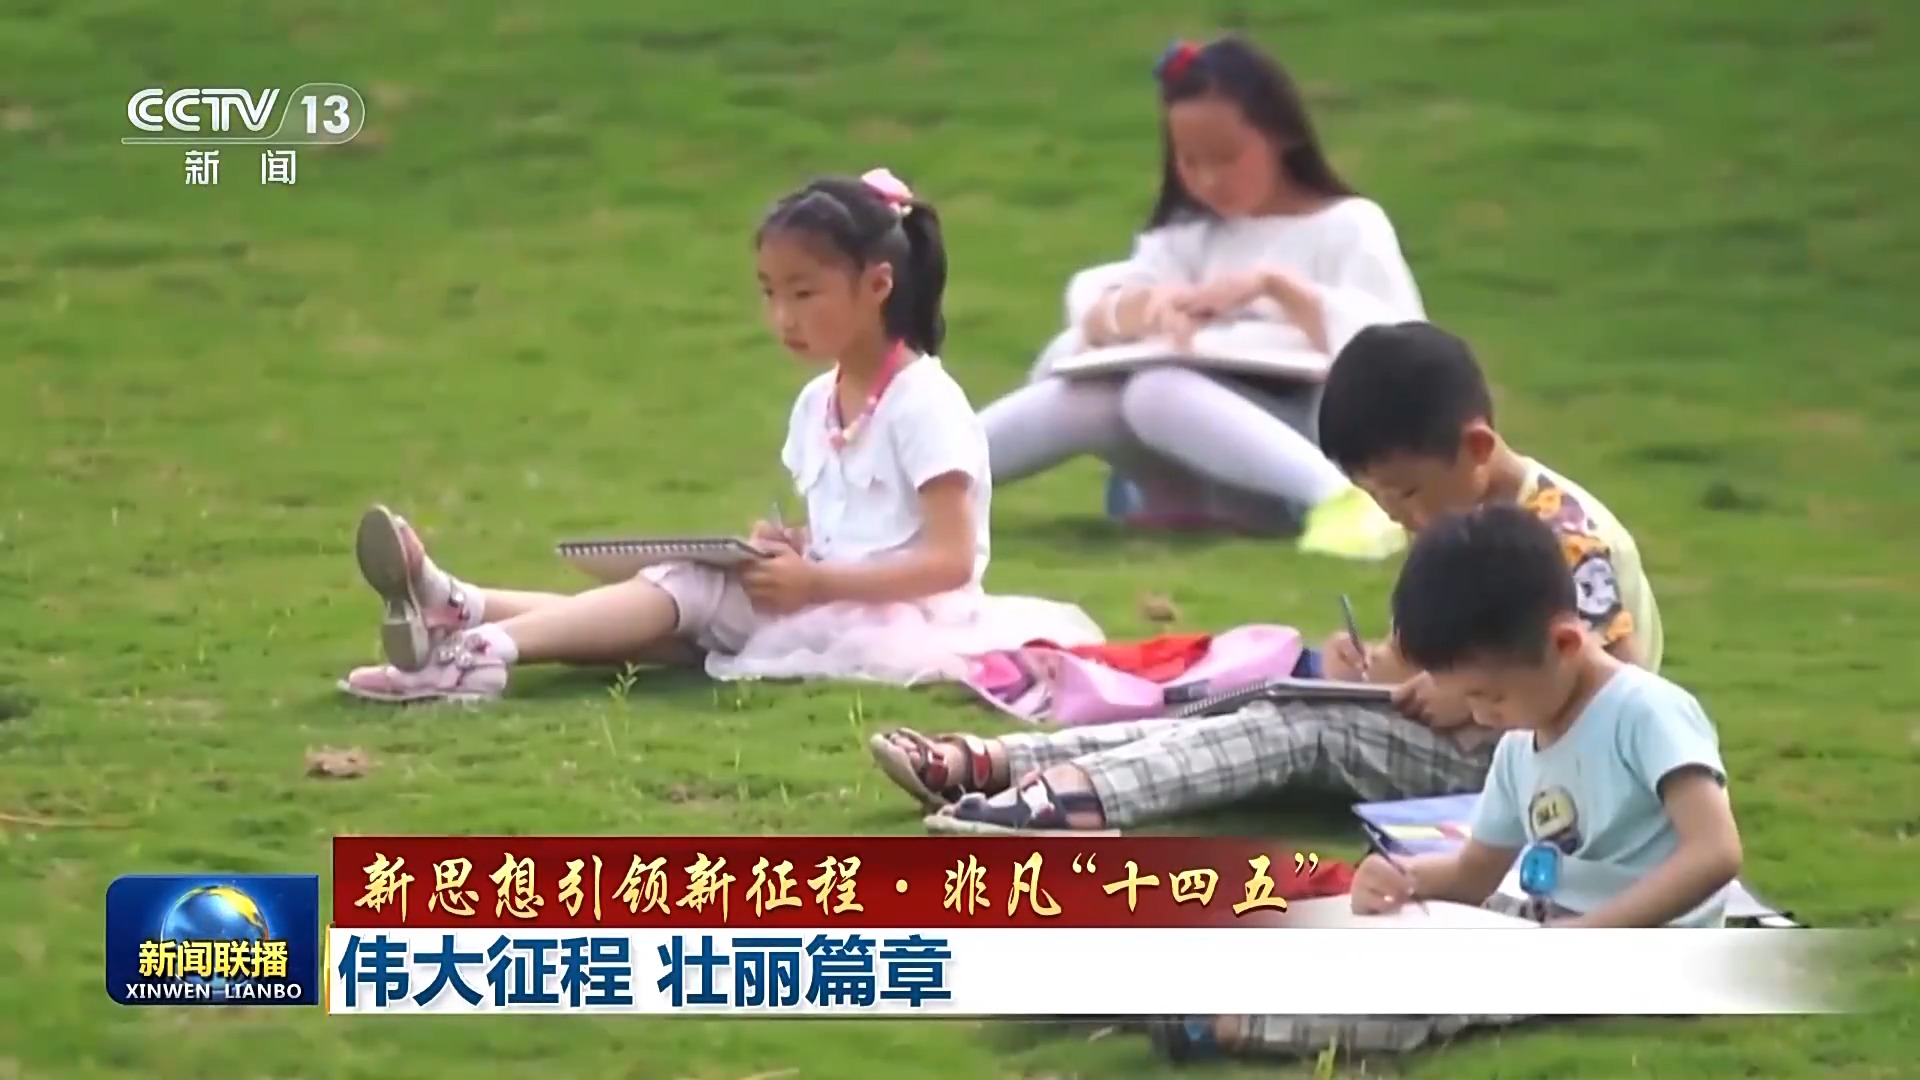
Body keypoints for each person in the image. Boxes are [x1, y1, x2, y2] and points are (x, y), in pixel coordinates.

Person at [338, 169, 1099, 703]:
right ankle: (460, 607)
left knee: (688, 590)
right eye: (770, 294)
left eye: (804, 293)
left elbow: (950, 560)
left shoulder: (924, 401)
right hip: (832, 601)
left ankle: (480, 652)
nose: (783, 318)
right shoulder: (819, 400)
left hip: (906, 621)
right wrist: (796, 547)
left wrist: (818, 582)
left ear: (877, 285)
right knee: (668, 615)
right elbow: (863, 529)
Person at [871, 320, 1661, 834]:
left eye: (1407, 494)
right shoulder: (1459, 515)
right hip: (1478, 739)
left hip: (1540, 778)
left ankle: (1066, 804)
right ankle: (1005, 764)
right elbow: (1450, 655)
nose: (1401, 518)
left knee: (1304, 727)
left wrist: (1465, 699)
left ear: (1477, 448)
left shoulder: (1567, 540)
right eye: (1383, 501)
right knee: (1280, 698)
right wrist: (1384, 667)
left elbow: (1610, 699)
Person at [1148, 504, 1740, 1061]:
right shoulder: (1519, 743)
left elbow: (1715, 853)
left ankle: (1226, 1023)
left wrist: (1586, 938)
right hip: (1545, 919)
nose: (1480, 715)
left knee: (1441, 988)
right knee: (1375, 928)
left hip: (1651, 948)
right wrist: (1405, 878)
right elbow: (1473, 875)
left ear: (1563, 643)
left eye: (1490, 695)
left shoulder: (1646, 712)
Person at [977, 35, 1424, 559]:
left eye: (1227, 158)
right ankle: (920, 482)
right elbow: (1097, 313)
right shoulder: (1188, 235)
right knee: (1094, 397)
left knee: (1155, 393)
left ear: (1280, 136)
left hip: (1310, 430)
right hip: (1193, 461)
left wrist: (1276, 288)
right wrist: (1141, 312)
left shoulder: (1349, 225)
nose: (1209, 180)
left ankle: (1340, 500)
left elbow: (1399, 356)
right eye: (1190, 162)